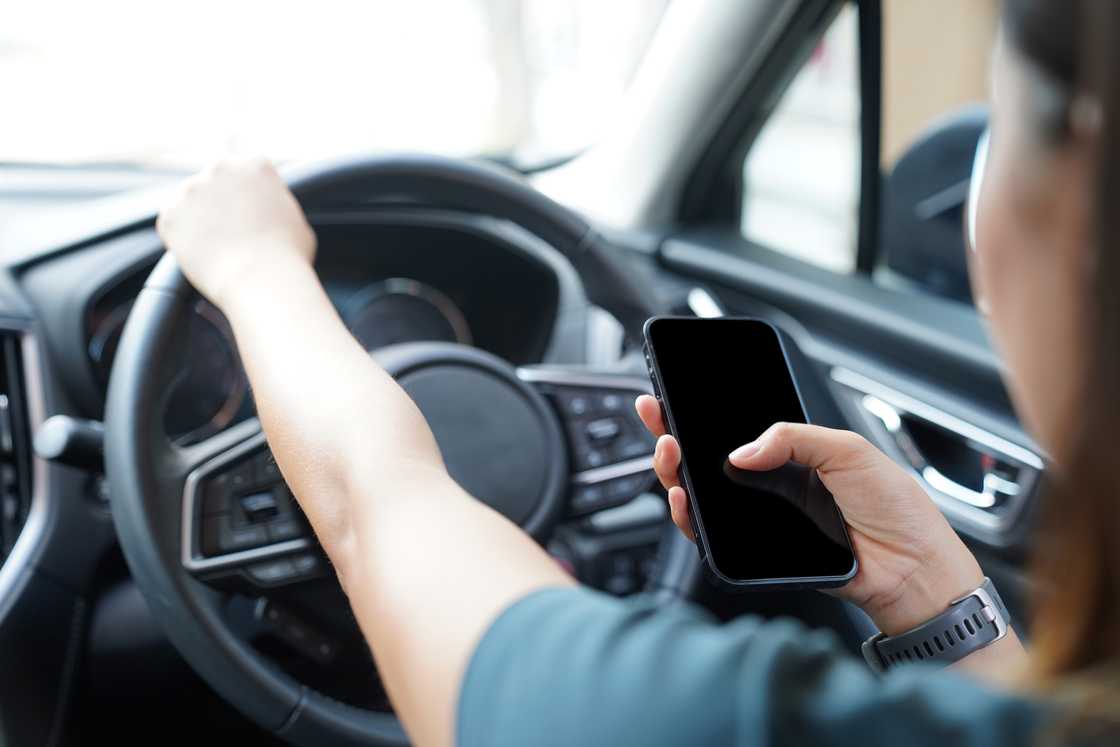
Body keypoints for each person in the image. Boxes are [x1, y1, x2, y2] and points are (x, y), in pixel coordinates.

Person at [154, 0, 1118, 743]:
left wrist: (254, 269)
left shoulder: (715, 721)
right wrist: (931, 593)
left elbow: (377, 511)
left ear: (1072, 202)